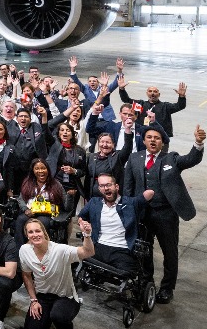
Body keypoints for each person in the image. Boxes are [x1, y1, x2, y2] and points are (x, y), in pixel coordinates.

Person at [122, 123, 205, 303]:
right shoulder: (134, 158)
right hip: (142, 214)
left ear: (163, 142)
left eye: (157, 138)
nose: (153, 140)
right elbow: (128, 188)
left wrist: (198, 144)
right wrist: (127, 210)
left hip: (166, 215)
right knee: (143, 250)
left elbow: (191, 159)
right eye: (150, 137)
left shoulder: (171, 158)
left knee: (170, 252)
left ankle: (167, 288)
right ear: (144, 140)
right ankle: (146, 281)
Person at [19, 217, 95, 329]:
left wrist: (87, 235)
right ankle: (48, 320)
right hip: (43, 296)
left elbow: (88, 252)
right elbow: (27, 276)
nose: (35, 234)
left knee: (58, 316)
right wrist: (33, 300)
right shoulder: (24, 250)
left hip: (65, 296)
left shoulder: (60, 250)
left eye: (37, 230)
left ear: (44, 232)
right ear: (27, 235)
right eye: (30, 232)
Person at [78, 174, 148, 277]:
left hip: (121, 249)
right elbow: (81, 217)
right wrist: (83, 223)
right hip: (98, 246)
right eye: (102, 186)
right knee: (77, 262)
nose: (105, 188)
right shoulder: (94, 202)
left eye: (108, 185)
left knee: (127, 273)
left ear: (117, 186)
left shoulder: (130, 203)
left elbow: (149, 194)